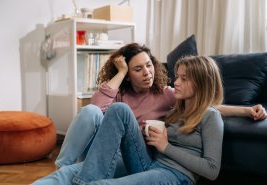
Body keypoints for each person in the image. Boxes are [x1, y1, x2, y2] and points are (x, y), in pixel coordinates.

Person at [55, 43, 267, 170]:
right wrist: (119, 72)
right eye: (137, 69)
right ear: (128, 75)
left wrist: (247, 110)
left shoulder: (165, 94)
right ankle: (61, 166)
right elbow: (95, 107)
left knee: (79, 174)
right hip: (102, 148)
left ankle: (71, 174)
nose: (147, 72)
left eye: (149, 65)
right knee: (90, 111)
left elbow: (205, 106)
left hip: (128, 155)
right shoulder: (119, 93)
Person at [35, 55, 225, 185]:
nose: (175, 83)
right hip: (150, 162)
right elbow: (100, 104)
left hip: (175, 175)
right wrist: (147, 136)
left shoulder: (211, 116)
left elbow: (212, 170)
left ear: (201, 83)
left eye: (184, 79)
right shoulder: (177, 107)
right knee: (119, 109)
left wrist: (165, 146)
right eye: (177, 77)